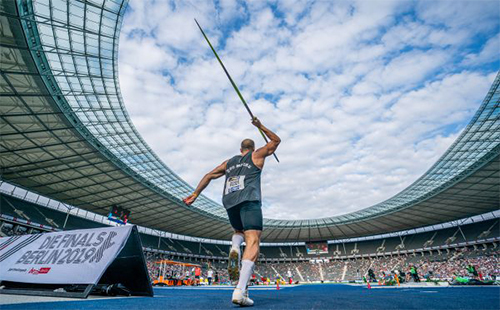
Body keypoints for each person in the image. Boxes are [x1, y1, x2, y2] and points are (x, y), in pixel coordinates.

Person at [184, 117, 280, 306]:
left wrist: (195, 194)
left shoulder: (229, 162)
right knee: (253, 240)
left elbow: (209, 175)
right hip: (249, 200)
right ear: (252, 149)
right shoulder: (256, 156)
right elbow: (276, 141)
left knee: (239, 231)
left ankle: (235, 245)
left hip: (229, 201)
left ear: (240, 150)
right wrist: (260, 126)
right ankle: (239, 291)